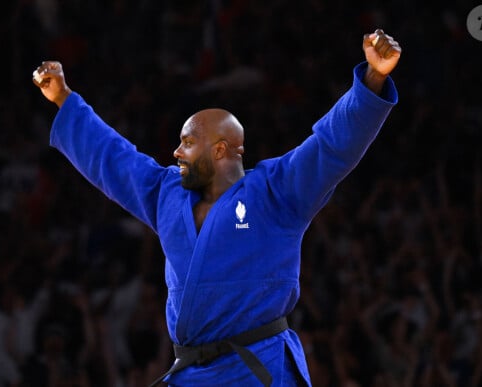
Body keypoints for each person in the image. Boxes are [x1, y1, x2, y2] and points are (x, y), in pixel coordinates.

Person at [32, 28, 401, 386]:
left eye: (188, 142)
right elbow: (114, 159)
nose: (176, 152)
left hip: (257, 370)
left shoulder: (275, 192)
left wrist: (371, 80)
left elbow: (331, 146)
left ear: (221, 150)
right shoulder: (168, 195)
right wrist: (65, 98)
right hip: (192, 374)